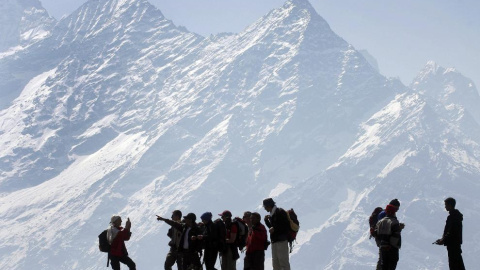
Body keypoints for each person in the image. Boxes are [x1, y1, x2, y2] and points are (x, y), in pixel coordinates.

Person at [434, 197, 466, 270]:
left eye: (446, 205)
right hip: (455, 243)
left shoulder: (452, 217)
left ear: (450, 205)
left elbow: (451, 231)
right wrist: (443, 239)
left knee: (454, 264)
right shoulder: (456, 216)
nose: (445, 207)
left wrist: (443, 240)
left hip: (452, 244)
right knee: (458, 262)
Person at [262, 198, 290, 270]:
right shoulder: (272, 214)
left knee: (283, 262)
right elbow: (272, 228)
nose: (265, 209)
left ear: (268, 206)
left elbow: (285, 226)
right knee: (276, 263)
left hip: (281, 240)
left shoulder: (280, 212)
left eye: (265, 207)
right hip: (275, 241)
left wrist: (274, 228)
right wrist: (266, 221)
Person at [376, 203, 404, 270]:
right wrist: (393, 246)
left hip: (383, 248)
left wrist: (381, 245)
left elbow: (377, 235)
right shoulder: (394, 222)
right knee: (391, 266)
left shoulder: (380, 222)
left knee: (384, 266)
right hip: (392, 249)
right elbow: (396, 235)